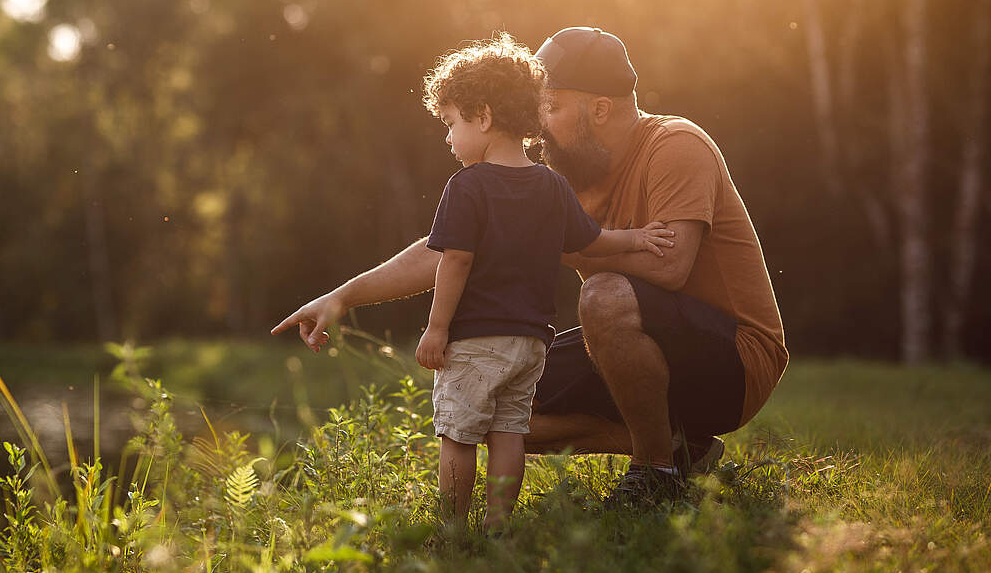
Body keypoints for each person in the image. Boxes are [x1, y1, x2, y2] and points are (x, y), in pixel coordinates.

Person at [273, 27, 787, 508]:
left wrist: (548, 245)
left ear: (600, 110)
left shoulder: (675, 146)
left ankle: (656, 473)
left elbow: (672, 268)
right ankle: (683, 448)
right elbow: (450, 247)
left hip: (735, 362)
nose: (538, 125)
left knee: (603, 295)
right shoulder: (564, 178)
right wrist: (342, 297)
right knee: (496, 398)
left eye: (553, 108)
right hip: (632, 345)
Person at [414, 35, 672, 529]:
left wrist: (437, 328)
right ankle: (498, 527)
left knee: (459, 434)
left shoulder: (466, 186)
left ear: (484, 117)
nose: (449, 139)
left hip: (474, 339)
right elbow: (593, 241)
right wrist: (638, 238)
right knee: (509, 432)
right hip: (531, 343)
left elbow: (456, 262)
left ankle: (451, 529)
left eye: (452, 124)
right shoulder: (551, 185)